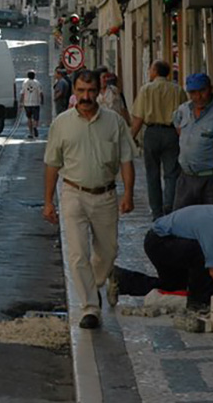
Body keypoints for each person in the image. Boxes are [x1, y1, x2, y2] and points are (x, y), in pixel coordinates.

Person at [43, 69, 136, 329]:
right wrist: (48, 201)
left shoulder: (114, 122)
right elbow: (52, 164)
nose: (86, 96)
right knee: (77, 254)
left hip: (105, 195)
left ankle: (94, 284)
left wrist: (128, 194)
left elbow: (126, 160)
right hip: (73, 193)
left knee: (108, 251)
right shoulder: (61, 123)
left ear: (98, 91)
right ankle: (90, 307)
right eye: (81, 91)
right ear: (74, 91)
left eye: (91, 91)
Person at [109, 205, 213, 310]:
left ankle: (123, 280)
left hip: (166, 240)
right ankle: (199, 301)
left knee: (173, 288)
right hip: (159, 241)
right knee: (204, 257)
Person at [172, 73, 213, 210]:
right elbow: (177, 125)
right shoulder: (183, 110)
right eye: (193, 93)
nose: (198, 97)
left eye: (202, 91)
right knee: (181, 219)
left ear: (210, 89)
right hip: (186, 178)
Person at [130, 60, 187, 219]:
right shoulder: (177, 90)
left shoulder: (146, 89)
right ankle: (169, 206)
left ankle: (156, 211)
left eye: (150, 69)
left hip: (152, 133)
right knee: (172, 173)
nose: (149, 71)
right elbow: (184, 116)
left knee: (152, 174)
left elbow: (138, 118)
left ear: (155, 71)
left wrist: (130, 137)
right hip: (172, 133)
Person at [20, 70, 44, 140]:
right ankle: (35, 127)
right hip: (35, 103)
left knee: (29, 118)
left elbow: (22, 93)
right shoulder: (37, 83)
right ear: (34, 76)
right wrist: (42, 101)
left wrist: (21, 102)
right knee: (36, 118)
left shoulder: (25, 83)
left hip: (27, 103)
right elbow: (41, 93)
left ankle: (31, 133)